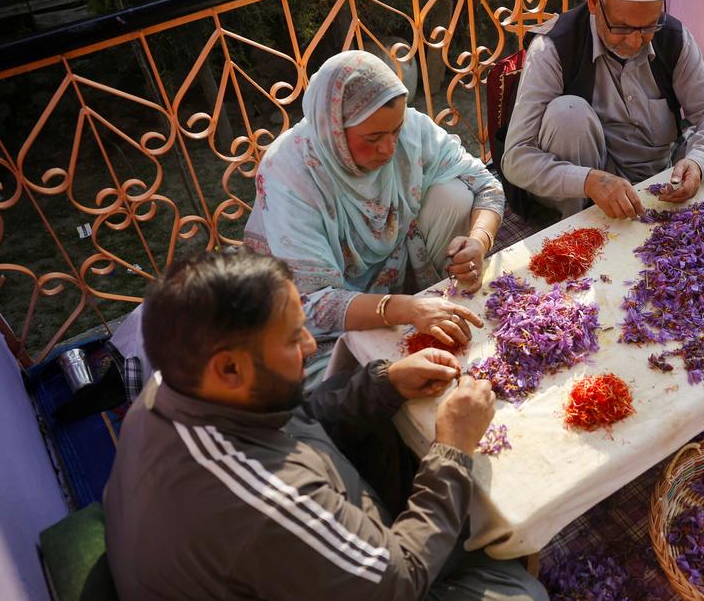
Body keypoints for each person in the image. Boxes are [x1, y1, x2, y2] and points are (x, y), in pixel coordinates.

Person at [103, 248, 548, 600]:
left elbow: (302, 419)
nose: (313, 346)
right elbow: (399, 581)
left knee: (382, 424)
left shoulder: (177, 385)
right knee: (520, 592)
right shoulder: (267, 500)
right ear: (230, 369)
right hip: (366, 578)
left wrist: (384, 382)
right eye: (294, 337)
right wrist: (451, 448)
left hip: (274, 564)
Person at [245, 50, 504, 389]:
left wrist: (478, 241)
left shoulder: (409, 131)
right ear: (334, 129)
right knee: (336, 385)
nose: (389, 148)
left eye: (395, 131)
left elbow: (485, 184)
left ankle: (420, 302)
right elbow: (311, 303)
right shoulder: (290, 174)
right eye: (372, 138)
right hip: (309, 305)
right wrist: (404, 310)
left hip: (394, 275)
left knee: (455, 194)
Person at [501, 0, 704, 220]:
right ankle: (576, 231)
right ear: (593, 2)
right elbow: (516, 157)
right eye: (622, 27)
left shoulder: (671, 37)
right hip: (584, 188)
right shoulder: (554, 49)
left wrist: (698, 162)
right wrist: (589, 181)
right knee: (567, 114)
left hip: (659, 177)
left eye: (648, 27)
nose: (636, 41)